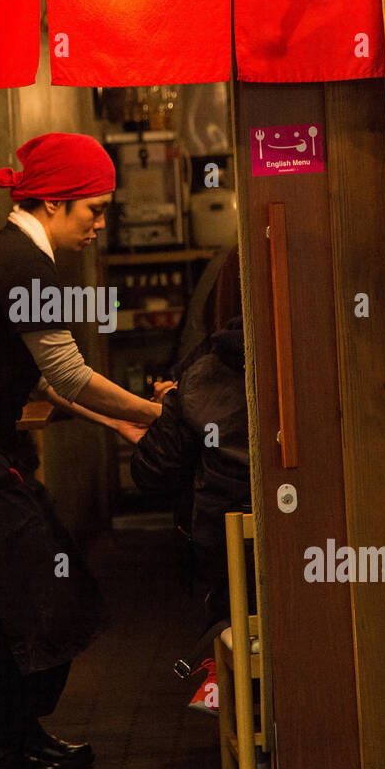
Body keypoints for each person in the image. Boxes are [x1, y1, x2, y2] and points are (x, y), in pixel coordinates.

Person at [0, 131, 162, 769]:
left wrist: (123, 423)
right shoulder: (21, 262)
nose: (100, 225)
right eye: (92, 210)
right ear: (51, 202)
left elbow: (47, 382)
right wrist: (157, 414)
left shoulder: (22, 256)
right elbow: (71, 374)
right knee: (32, 604)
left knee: (52, 595)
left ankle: (21, 735)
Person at [130, 248, 251, 643]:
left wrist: (173, 407)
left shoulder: (204, 372)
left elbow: (152, 474)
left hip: (231, 581)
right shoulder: (331, 360)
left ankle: (221, 684)